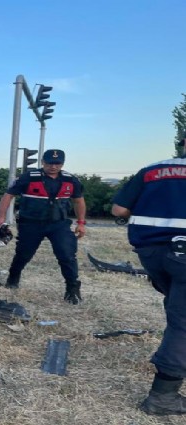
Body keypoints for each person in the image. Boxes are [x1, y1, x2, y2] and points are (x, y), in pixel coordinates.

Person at [110, 138, 186, 415]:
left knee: (178, 312)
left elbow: (119, 210)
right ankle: (163, 397)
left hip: (151, 253)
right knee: (182, 323)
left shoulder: (152, 170)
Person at [0, 149, 87, 304]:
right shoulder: (29, 177)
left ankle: (72, 290)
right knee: (23, 254)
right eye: (49, 163)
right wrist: (1, 217)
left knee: (67, 254)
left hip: (59, 224)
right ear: (42, 162)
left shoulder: (71, 180)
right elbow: (8, 195)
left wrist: (81, 223)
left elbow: (79, 201)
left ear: (62, 164)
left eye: (57, 163)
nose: (53, 166)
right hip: (31, 223)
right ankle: (13, 278)